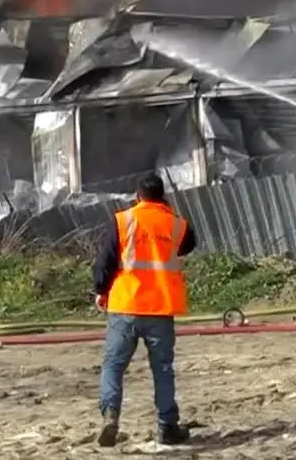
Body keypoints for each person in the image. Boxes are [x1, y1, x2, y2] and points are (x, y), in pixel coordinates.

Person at [92, 173, 195, 448]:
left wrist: (101, 290)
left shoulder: (122, 220)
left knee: (114, 364)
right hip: (160, 308)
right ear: (162, 196)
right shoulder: (176, 224)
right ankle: (167, 427)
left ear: (137, 196)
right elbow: (189, 244)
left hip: (125, 305)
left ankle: (111, 416)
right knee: (162, 369)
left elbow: (106, 260)